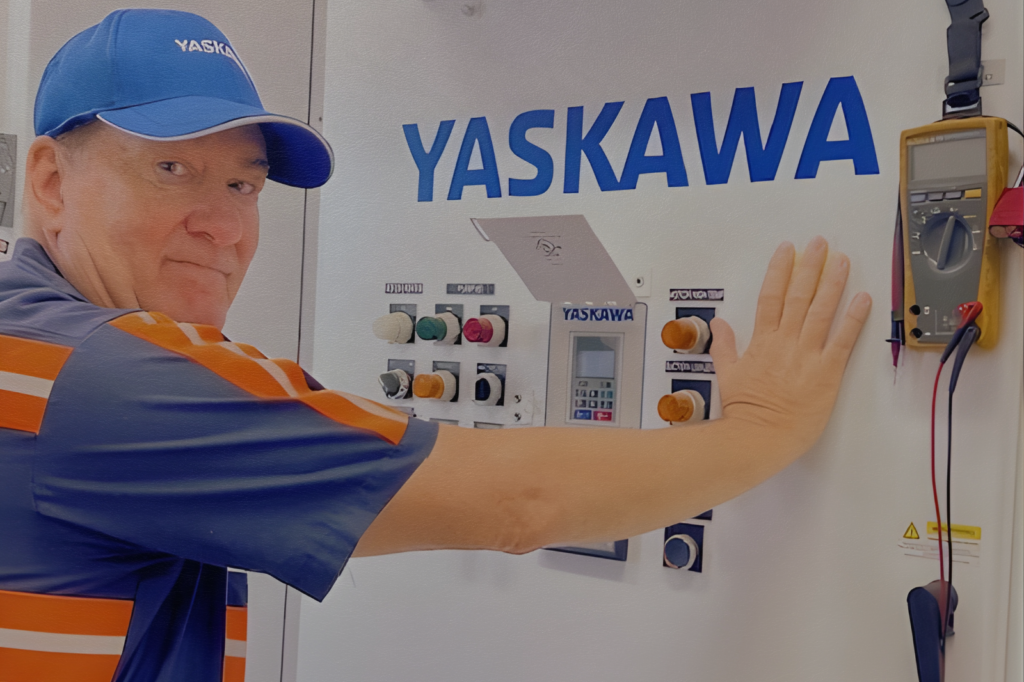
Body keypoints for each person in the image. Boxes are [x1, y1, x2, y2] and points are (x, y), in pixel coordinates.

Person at [0, 8, 871, 681]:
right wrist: (763, 425)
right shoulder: (114, 378)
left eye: (242, 184)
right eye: (171, 169)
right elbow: (519, 503)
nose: (223, 225)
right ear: (50, 180)